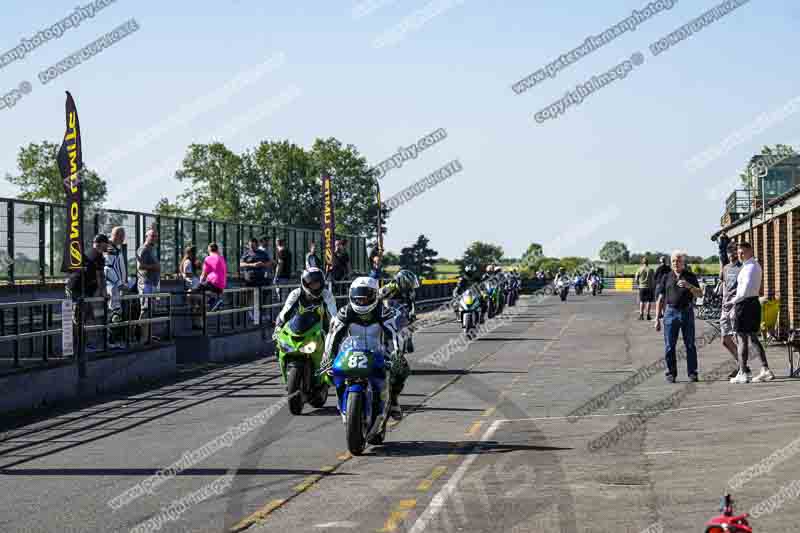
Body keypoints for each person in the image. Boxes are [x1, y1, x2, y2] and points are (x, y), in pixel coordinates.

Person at [321, 276, 407, 420]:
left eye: (366, 298)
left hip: (378, 351)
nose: (361, 301)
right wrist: (327, 355)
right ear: (351, 295)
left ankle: (393, 400)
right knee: (330, 373)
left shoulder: (383, 312)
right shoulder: (345, 312)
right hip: (351, 352)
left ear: (374, 296)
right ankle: (341, 400)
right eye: (358, 297)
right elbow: (333, 335)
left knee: (402, 369)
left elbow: (394, 334)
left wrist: (397, 353)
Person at [727, 242, 774, 384]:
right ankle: (765, 369)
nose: (740, 255)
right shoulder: (753, 265)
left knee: (741, 339)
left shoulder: (750, 267)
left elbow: (744, 290)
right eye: (739, 252)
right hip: (753, 303)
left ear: (750, 251)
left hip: (745, 304)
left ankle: (742, 372)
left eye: (743, 252)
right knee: (753, 338)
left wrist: (732, 302)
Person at [654, 251, 703, 383]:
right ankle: (671, 373)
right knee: (670, 345)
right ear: (671, 263)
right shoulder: (666, 277)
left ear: (683, 262)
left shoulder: (690, 276)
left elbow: (699, 294)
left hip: (687, 311)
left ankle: (692, 372)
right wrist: (657, 319)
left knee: (690, 344)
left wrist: (688, 286)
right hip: (670, 313)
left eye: (679, 260)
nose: (676, 263)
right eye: (674, 261)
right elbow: (660, 298)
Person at [67, 233, 110, 351]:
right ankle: (80, 346)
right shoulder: (98, 256)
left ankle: (83, 344)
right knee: (80, 318)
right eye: (107, 244)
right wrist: (104, 293)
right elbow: (100, 277)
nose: (108, 246)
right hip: (78, 289)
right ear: (101, 244)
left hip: (80, 289)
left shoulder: (91, 253)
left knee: (86, 318)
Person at [275, 267, 338, 334]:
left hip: (320, 331)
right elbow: (286, 310)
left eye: (317, 282)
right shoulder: (296, 294)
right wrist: (279, 326)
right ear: (306, 284)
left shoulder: (327, 294)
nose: (315, 286)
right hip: (299, 330)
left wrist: (335, 324)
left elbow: (333, 312)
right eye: (312, 283)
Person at [719, 242, 744, 379]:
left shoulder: (743, 268)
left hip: (737, 306)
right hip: (725, 307)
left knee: (737, 337)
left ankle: (742, 367)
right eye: (729, 252)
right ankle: (741, 364)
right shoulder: (726, 268)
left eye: (734, 252)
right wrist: (723, 301)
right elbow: (724, 285)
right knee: (725, 340)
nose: (731, 255)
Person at [379, 269, 419, 352]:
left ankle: (408, 338)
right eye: (408, 283)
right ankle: (386, 342)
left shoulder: (410, 290)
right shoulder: (391, 287)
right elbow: (379, 297)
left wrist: (413, 312)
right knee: (385, 323)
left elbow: (412, 302)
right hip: (389, 305)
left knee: (410, 317)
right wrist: (386, 309)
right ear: (402, 281)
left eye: (411, 283)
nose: (410, 285)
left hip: (402, 305)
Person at [104, 227, 127, 348]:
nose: (124, 238)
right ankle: (110, 341)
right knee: (115, 312)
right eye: (122, 236)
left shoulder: (116, 248)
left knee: (117, 312)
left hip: (117, 287)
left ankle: (113, 340)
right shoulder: (110, 248)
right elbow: (108, 269)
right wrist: (119, 283)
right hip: (113, 287)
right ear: (117, 235)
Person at [136, 228, 161, 342]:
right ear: (147, 236)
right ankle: (142, 337)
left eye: (156, 236)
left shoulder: (152, 249)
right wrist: (154, 267)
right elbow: (140, 267)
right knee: (145, 310)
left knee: (151, 310)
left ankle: (149, 336)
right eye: (152, 236)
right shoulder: (143, 249)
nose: (155, 238)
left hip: (153, 283)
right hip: (146, 283)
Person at [198, 242, 227, 311]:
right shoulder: (221, 258)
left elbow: (203, 274)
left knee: (196, 290)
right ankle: (213, 300)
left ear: (209, 250)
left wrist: (200, 282)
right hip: (222, 286)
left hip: (214, 284)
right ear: (217, 250)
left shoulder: (208, 258)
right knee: (206, 287)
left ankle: (212, 301)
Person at [180, 246, 202, 329]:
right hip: (193, 288)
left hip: (193, 287)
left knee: (195, 306)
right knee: (200, 303)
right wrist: (196, 274)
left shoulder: (190, 262)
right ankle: (197, 323)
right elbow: (187, 273)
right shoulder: (188, 262)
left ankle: (196, 324)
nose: (195, 255)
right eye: (193, 253)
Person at [273, 238, 292, 302]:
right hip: (287, 276)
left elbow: (280, 264)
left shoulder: (281, 252)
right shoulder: (288, 251)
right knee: (285, 296)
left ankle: (282, 310)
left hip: (281, 277)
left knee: (280, 297)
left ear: (277, 243)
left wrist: (276, 276)